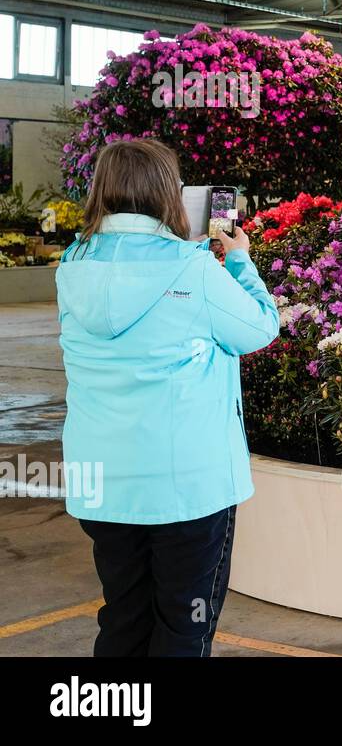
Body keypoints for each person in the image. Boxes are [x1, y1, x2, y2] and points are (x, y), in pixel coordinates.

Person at [56, 140, 279, 657]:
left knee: (124, 619)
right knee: (183, 625)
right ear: (167, 193)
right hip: (186, 487)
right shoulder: (194, 270)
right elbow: (259, 328)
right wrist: (239, 261)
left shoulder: (71, 268)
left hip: (103, 483)